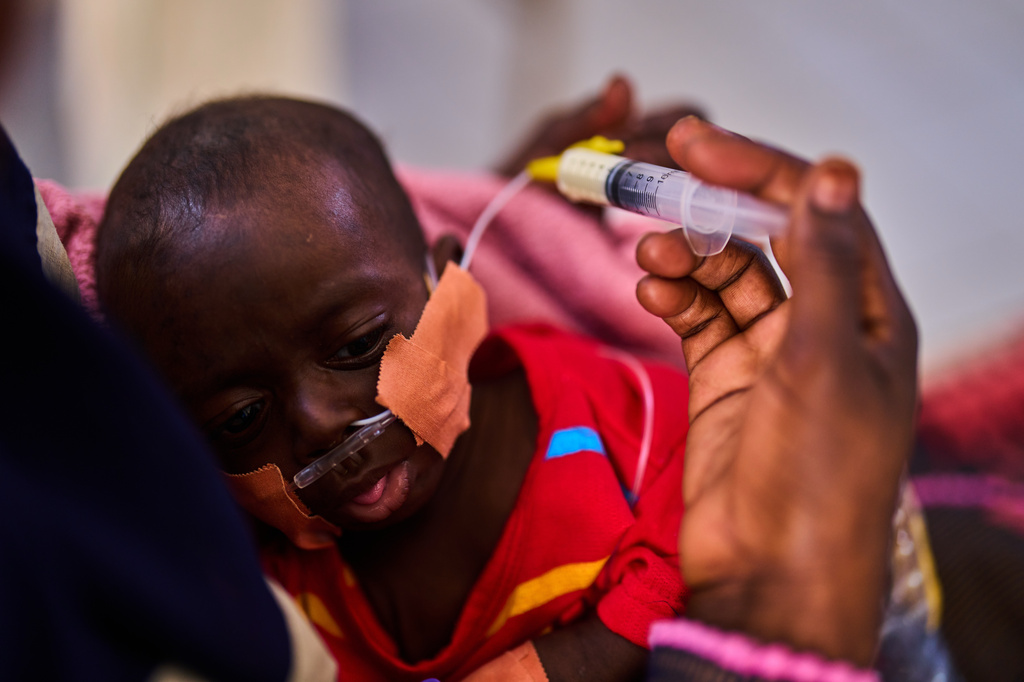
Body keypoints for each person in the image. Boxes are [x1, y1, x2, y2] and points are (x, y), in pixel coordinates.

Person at [95, 96, 693, 681]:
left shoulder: (615, 420)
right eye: (241, 417)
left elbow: (722, 512)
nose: (320, 422)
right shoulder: (273, 605)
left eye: (357, 346)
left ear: (447, 284)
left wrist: (583, 656)